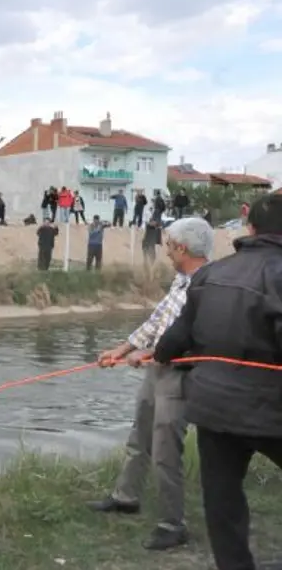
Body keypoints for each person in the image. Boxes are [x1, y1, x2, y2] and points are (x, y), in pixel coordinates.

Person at [152, 194, 282, 570]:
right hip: (272, 409)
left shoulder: (210, 274)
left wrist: (158, 353)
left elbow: (174, 342)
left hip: (214, 410)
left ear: (250, 228)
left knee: (222, 499)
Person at [87, 217, 214, 551]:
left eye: (170, 245)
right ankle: (125, 497)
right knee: (139, 433)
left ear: (183, 248)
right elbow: (158, 319)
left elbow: (197, 337)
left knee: (165, 448)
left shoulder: (209, 286)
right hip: (155, 368)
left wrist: (151, 354)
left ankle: (173, 524)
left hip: (180, 374)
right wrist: (124, 349)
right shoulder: (180, 280)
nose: (167, 251)